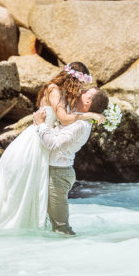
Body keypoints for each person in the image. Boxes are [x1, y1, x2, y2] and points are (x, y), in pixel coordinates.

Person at [0, 62, 105, 231]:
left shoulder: (65, 95)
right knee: (14, 186)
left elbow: (74, 114)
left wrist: (96, 112)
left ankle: (29, 233)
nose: (81, 88)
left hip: (43, 143)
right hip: (35, 141)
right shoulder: (54, 89)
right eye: (81, 83)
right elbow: (64, 118)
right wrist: (89, 115)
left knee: (24, 188)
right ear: (74, 79)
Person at [34, 86, 109, 234]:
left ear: (87, 102)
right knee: (48, 223)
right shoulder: (74, 116)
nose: (81, 91)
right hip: (52, 171)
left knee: (61, 227)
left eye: (85, 92)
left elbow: (53, 144)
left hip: (57, 175)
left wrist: (41, 124)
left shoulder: (80, 125)